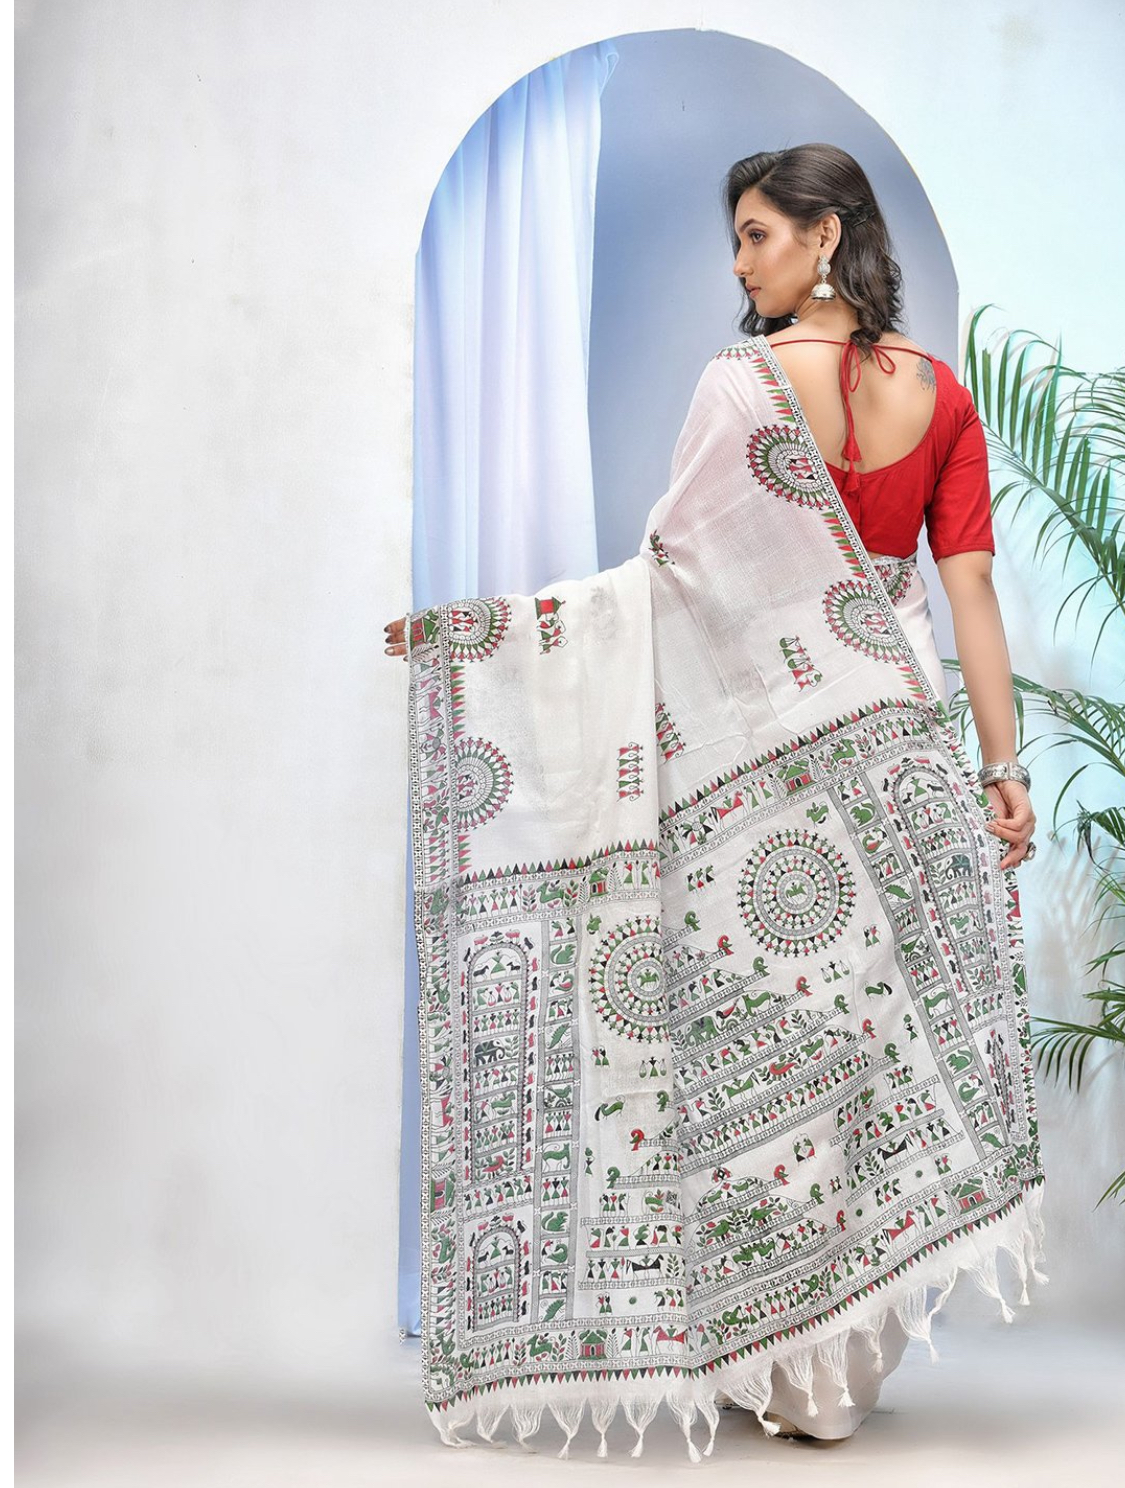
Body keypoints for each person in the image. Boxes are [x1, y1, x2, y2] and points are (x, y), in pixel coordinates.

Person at [385, 144, 1041, 1452]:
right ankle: (833, 1376)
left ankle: (793, 1368)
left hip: (772, 774)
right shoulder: (941, 395)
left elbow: (666, 582)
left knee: (776, 1037)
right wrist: (1001, 764)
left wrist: (483, 641)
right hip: (901, 755)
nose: (740, 263)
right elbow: (965, 587)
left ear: (823, 235)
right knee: (863, 1053)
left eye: (756, 234)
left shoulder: (740, 385)